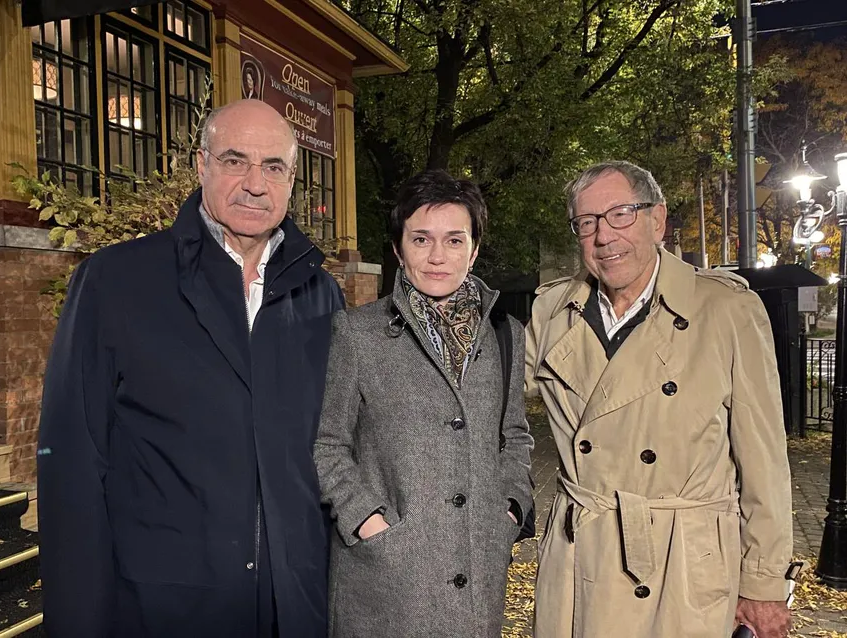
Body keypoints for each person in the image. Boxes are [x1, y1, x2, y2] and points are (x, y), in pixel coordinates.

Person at [37, 99, 344, 638]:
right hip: (163, 612)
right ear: (201, 164)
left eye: (273, 166)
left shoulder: (322, 298)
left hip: (293, 609)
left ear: (292, 180)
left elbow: (335, 454)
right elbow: (73, 468)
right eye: (234, 160)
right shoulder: (115, 283)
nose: (255, 183)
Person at [526, 161, 794, 638]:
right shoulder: (552, 310)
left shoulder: (726, 309)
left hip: (683, 564)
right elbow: (488, 401)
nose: (604, 236)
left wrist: (764, 583)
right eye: (586, 223)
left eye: (621, 214)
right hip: (579, 558)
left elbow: (765, 462)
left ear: (658, 220)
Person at [314, 170, 534, 637]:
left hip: (477, 568)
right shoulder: (357, 334)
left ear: (474, 249)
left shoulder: (505, 336)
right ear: (398, 248)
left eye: (455, 240)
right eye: (421, 239)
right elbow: (328, 444)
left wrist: (510, 509)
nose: (438, 257)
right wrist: (367, 521)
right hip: (385, 578)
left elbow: (514, 435)